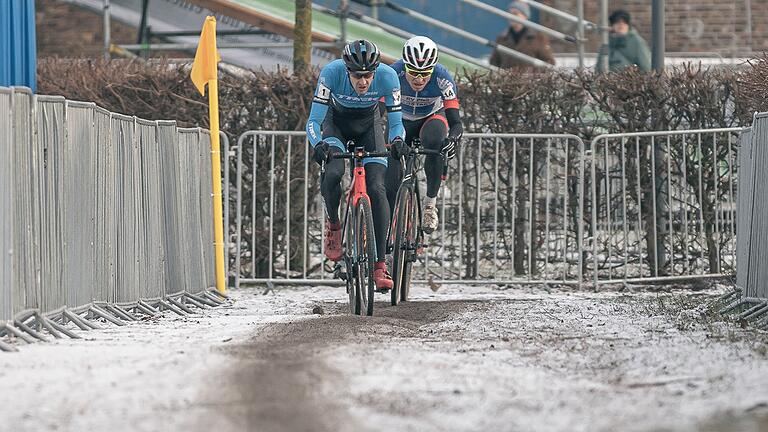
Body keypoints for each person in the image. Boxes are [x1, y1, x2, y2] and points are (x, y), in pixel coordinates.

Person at [305, 39, 405, 291]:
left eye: (368, 75)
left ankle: (380, 265)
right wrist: (318, 144)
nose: (363, 82)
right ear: (347, 70)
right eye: (357, 76)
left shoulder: (389, 76)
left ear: (375, 72)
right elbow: (314, 121)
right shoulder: (331, 73)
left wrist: (398, 141)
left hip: (369, 125)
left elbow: (395, 123)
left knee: (377, 188)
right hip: (335, 124)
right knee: (334, 172)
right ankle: (334, 223)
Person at [387, 36, 463, 234]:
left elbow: (456, 122)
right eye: (413, 73)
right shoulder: (393, 72)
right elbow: (377, 113)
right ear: (405, 66)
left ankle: (430, 205)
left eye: (425, 73)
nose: (419, 79)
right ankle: (389, 211)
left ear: (433, 68)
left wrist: (452, 140)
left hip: (430, 119)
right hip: (399, 121)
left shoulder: (442, 77)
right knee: (390, 169)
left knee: (436, 141)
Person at [489, 1, 555, 69]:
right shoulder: (502, 38)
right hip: (508, 78)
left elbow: (549, 62)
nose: (511, 16)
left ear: (525, 16)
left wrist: (536, 77)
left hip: (530, 78)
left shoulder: (538, 37)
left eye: (515, 13)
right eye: (509, 13)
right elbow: (494, 62)